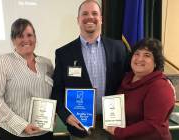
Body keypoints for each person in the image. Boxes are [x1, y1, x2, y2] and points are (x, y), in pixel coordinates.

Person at [51, 0, 128, 140]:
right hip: (80, 128)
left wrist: (164, 80)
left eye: (94, 13)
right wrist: (66, 116)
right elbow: (56, 91)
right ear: (78, 19)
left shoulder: (119, 48)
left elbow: (132, 80)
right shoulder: (64, 53)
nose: (90, 17)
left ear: (101, 19)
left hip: (113, 127)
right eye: (84, 13)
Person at [0, 18, 54, 140]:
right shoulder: (2, 61)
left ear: (35, 38)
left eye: (29, 35)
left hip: (44, 133)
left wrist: (51, 116)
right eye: (20, 36)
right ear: (13, 40)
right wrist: (22, 125)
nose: (26, 40)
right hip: (13, 133)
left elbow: (52, 95)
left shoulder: (47, 63)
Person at [105, 38, 175, 140]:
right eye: (137, 54)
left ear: (156, 62)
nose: (139, 59)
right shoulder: (126, 80)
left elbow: (153, 125)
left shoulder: (160, 86)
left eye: (147, 55)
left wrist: (119, 132)